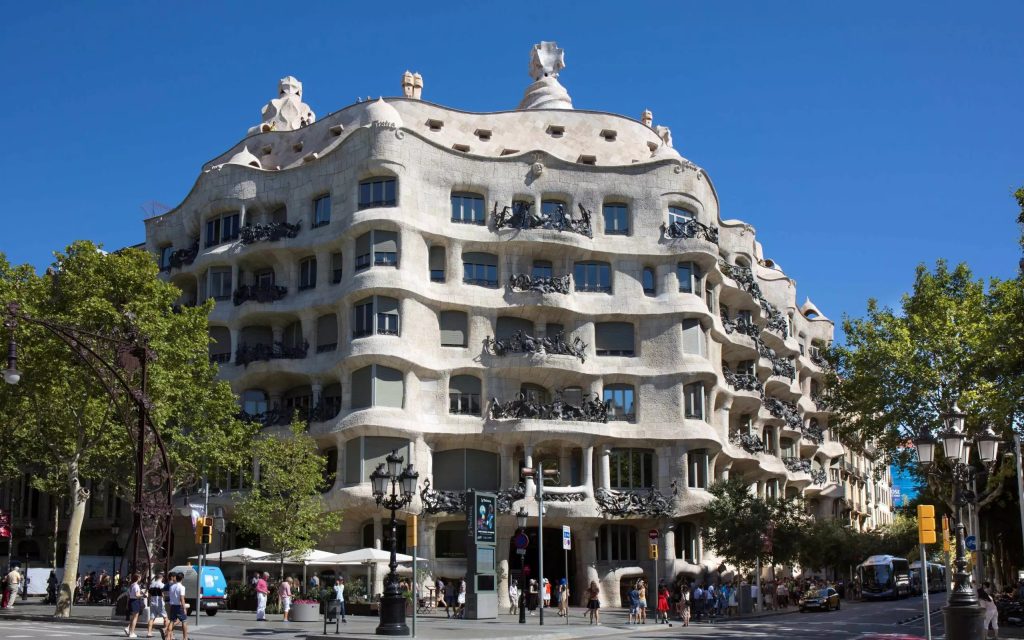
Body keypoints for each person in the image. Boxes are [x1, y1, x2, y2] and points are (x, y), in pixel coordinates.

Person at [164, 572, 188, 640]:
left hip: (172, 606)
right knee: (184, 621)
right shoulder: (182, 587)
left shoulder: (171, 587)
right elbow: (182, 598)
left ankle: (168, 637)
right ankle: (185, 637)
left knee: (171, 621)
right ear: (182, 578)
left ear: (176, 578)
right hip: (179, 606)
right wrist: (184, 608)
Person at [124, 572, 144, 638]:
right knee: (135, 618)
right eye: (140, 577)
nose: (140, 578)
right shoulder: (136, 586)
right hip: (135, 601)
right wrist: (143, 595)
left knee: (133, 617)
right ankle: (131, 633)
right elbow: (137, 595)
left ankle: (129, 630)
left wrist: (127, 604)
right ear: (138, 578)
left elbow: (128, 596)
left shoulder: (131, 585)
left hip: (131, 601)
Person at [147, 571, 166, 639]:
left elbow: (149, 595)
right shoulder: (162, 585)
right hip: (160, 603)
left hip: (152, 602)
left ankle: (149, 632)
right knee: (165, 617)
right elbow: (163, 594)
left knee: (152, 618)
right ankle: (166, 631)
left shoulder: (151, 585)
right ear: (161, 578)